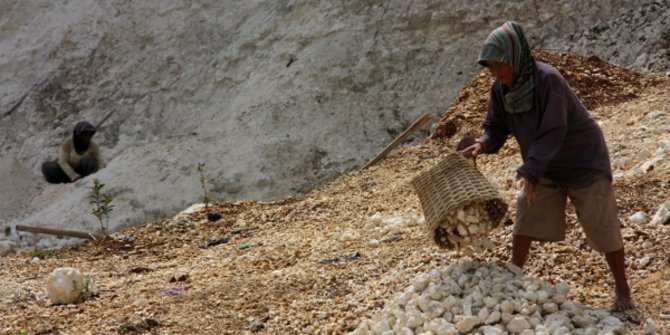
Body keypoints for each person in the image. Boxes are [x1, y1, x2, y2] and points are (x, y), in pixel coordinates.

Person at [459, 21, 633, 311]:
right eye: (491, 67)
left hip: (582, 161)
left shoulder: (547, 80)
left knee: (601, 223)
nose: (496, 73)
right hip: (545, 164)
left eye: (500, 66)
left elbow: (554, 130)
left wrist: (530, 169)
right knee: (527, 213)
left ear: (515, 57)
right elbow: (495, 126)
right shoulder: (500, 89)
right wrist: (483, 143)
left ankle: (623, 290)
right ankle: (514, 276)